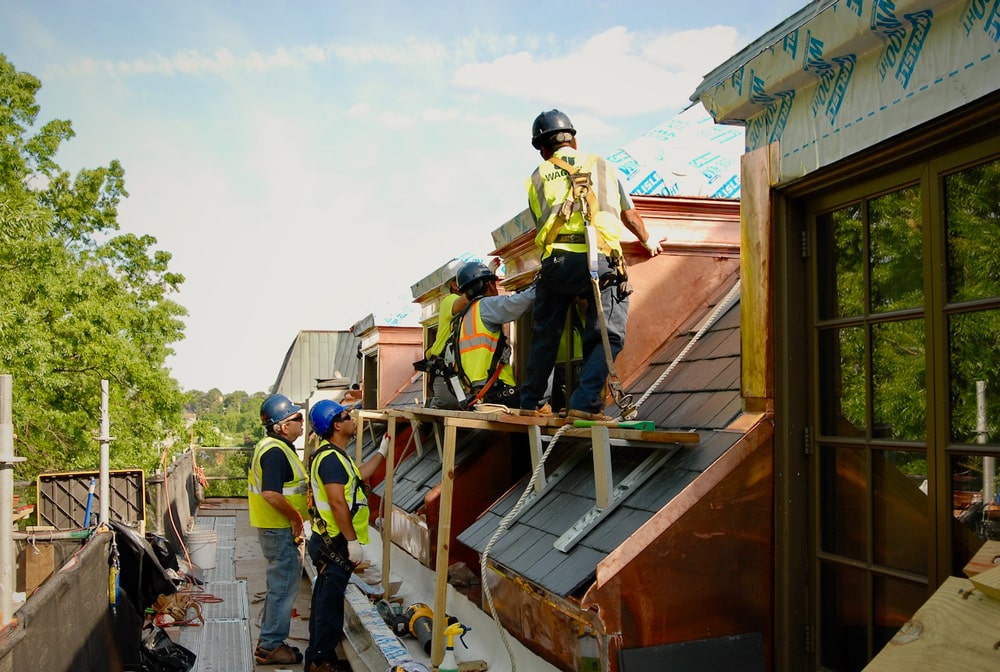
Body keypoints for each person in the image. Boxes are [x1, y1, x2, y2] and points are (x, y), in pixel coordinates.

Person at [518, 109, 662, 421]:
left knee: (546, 333)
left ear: (543, 149)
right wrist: (648, 240)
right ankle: (584, 403)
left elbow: (538, 222)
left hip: (556, 262)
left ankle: (531, 404)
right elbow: (629, 215)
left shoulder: (537, 177)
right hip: (601, 260)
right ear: (574, 139)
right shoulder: (605, 167)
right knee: (608, 334)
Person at [304, 399, 389, 672]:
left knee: (325, 598)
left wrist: (382, 453)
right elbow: (338, 502)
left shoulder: (336, 455)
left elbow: (359, 475)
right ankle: (321, 660)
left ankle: (319, 655)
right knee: (329, 603)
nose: (352, 418)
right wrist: (351, 541)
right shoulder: (330, 459)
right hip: (335, 541)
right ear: (336, 425)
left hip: (331, 540)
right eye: (346, 415)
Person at [247, 393, 308, 666]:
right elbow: (271, 494)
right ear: (283, 426)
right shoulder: (274, 451)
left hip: (275, 529)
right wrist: (296, 517)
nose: (302, 422)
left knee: (279, 586)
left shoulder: (276, 447)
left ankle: (271, 640)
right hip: (279, 530)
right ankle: (270, 645)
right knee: (283, 588)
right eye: (297, 418)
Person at [451, 260, 535, 408]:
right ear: (489, 285)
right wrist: (539, 284)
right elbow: (519, 303)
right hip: (499, 392)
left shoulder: (461, 318)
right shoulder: (485, 306)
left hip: (477, 395)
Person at [421, 264, 469, 410]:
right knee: (450, 405)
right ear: (455, 284)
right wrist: (484, 279)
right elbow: (469, 300)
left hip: (456, 368)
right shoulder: (450, 300)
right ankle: (432, 404)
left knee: (465, 406)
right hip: (444, 369)